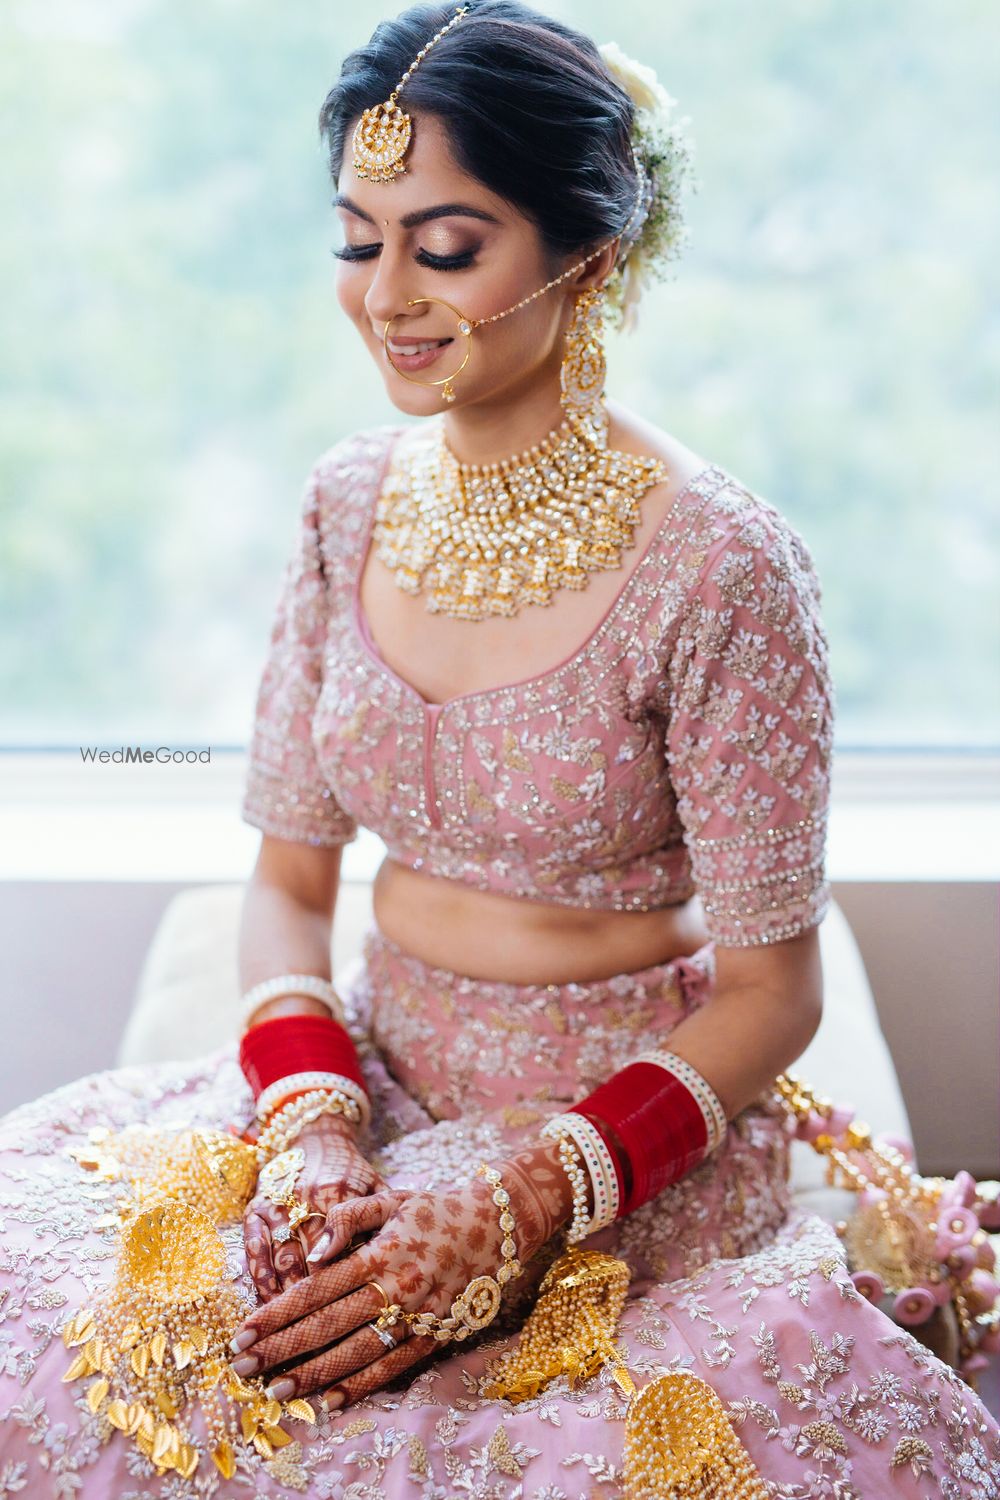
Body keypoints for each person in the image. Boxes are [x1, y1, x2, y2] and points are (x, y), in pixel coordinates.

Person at [1, 3, 998, 1495]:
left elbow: (771, 991)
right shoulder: (346, 507)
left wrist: (532, 1198)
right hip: (364, 1087)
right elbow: (286, 880)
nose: (386, 297)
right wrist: (313, 1127)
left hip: (611, 1141)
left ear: (589, 253)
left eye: (446, 246)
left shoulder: (724, 568)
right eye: (357, 239)